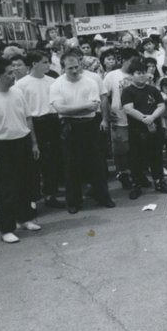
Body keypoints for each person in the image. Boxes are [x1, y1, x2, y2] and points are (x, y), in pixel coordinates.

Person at [0, 58, 42, 243]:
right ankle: (7, 228)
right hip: (2, 147)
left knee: (26, 184)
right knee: (8, 189)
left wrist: (34, 144)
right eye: (10, 73)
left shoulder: (18, 92)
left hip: (23, 142)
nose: (14, 75)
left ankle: (26, 218)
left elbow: (28, 119)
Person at [49, 49, 116, 214]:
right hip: (69, 128)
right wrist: (82, 107)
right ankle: (73, 201)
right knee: (72, 166)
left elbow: (93, 108)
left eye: (76, 67)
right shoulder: (57, 84)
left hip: (89, 125)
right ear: (63, 68)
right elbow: (60, 109)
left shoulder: (90, 82)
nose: (74, 70)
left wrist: (73, 109)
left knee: (97, 163)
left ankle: (103, 196)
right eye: (70, 68)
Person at [15, 50, 63, 209]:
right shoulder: (22, 84)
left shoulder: (52, 81)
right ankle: (33, 196)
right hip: (34, 123)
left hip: (52, 121)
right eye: (44, 62)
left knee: (53, 160)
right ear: (34, 64)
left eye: (48, 62)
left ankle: (51, 194)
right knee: (35, 161)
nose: (48, 65)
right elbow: (21, 110)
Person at [121, 58, 167, 199]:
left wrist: (152, 118)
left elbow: (161, 106)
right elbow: (128, 109)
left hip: (154, 128)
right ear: (131, 75)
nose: (142, 75)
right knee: (136, 159)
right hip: (137, 130)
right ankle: (136, 185)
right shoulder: (128, 91)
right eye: (138, 73)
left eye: (143, 72)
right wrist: (145, 119)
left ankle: (159, 182)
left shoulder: (153, 90)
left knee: (156, 156)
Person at [102, 48, 136, 190]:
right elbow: (104, 97)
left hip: (135, 118)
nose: (135, 63)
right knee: (121, 149)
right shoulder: (112, 75)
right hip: (119, 118)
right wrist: (107, 114)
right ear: (124, 60)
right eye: (133, 61)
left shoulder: (138, 74)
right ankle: (122, 174)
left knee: (134, 149)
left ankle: (135, 175)